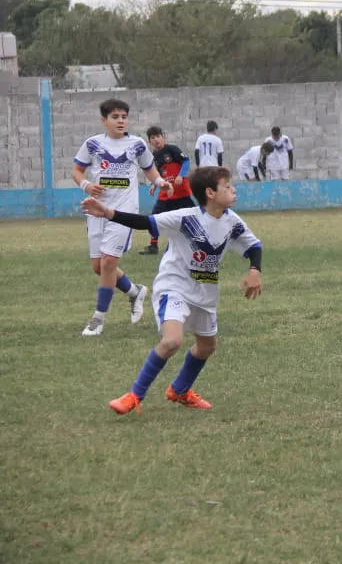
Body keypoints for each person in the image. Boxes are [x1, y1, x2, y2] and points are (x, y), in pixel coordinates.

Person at [81, 167, 263, 416]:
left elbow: (254, 247)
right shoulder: (186, 218)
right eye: (227, 186)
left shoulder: (233, 222)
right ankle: (134, 395)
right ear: (210, 193)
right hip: (174, 285)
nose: (233, 190)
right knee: (172, 341)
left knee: (207, 346)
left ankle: (179, 390)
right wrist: (108, 213)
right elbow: (145, 222)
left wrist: (255, 270)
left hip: (205, 291)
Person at [72, 98, 172, 337]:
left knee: (108, 263)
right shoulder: (92, 144)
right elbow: (77, 170)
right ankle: (134, 292)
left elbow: (149, 169)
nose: (121, 121)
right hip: (97, 210)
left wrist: (159, 182)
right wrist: (86, 185)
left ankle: (98, 318)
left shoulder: (137, 144)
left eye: (124, 117)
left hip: (124, 212)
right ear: (104, 120)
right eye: (115, 117)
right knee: (99, 267)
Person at [139, 126, 196, 255]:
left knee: (192, 219)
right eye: (152, 138)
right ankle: (153, 246)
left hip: (181, 192)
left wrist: (181, 175)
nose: (156, 140)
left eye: (158, 136)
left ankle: (197, 242)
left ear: (163, 137)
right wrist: (154, 184)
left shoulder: (172, 149)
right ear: (149, 141)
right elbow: (157, 173)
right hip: (166, 193)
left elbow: (186, 161)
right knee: (154, 218)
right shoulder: (154, 156)